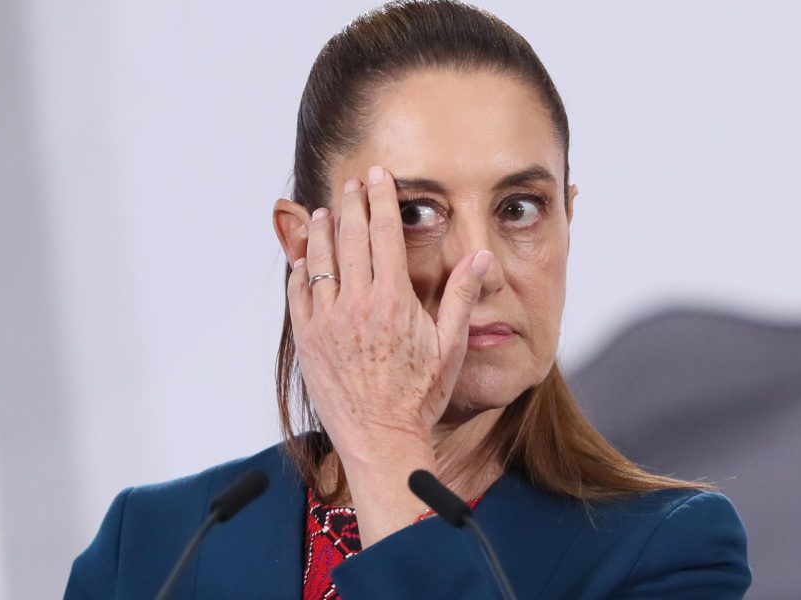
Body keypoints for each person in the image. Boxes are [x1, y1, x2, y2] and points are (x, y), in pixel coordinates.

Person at [64, 1, 752, 598]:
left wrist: (387, 447)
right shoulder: (152, 547)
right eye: (416, 214)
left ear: (568, 219)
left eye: (520, 207)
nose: (478, 266)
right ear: (307, 247)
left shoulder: (668, 550)